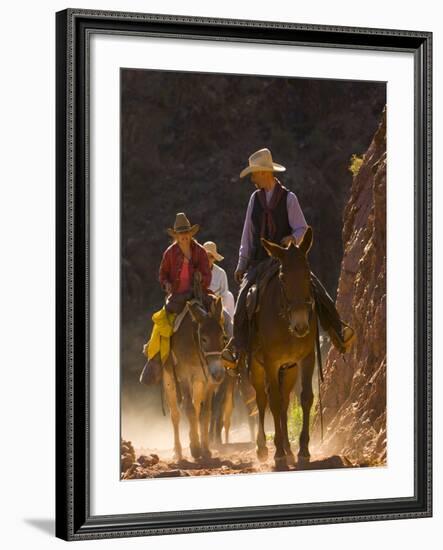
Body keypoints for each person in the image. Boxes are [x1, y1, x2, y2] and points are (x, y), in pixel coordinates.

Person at [221, 147, 355, 366]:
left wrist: (292, 239)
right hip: (259, 260)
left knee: (314, 286)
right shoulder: (254, 200)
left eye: (254, 173)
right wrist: (241, 264)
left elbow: (302, 228)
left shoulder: (289, 198)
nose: (253, 178)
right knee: (244, 295)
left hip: (286, 259)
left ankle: (338, 330)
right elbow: (248, 234)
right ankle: (237, 348)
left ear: (264, 172)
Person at [142, 212, 214, 373]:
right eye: (180, 234)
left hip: (198, 295)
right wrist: (166, 284)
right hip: (177, 297)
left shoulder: (200, 251)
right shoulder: (170, 253)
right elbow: (163, 274)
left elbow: (207, 275)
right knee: (161, 322)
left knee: (219, 316)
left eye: (186, 233)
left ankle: (229, 354)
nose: (184, 236)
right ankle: (154, 360)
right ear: (176, 236)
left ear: (190, 233)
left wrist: (200, 278)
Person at [203, 241, 235, 320]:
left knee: (227, 320)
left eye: (211, 257)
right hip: (201, 306)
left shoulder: (221, 273)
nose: (208, 259)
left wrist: (218, 309)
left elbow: (224, 294)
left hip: (217, 306)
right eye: (206, 256)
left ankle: (231, 332)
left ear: (214, 259)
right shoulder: (196, 271)